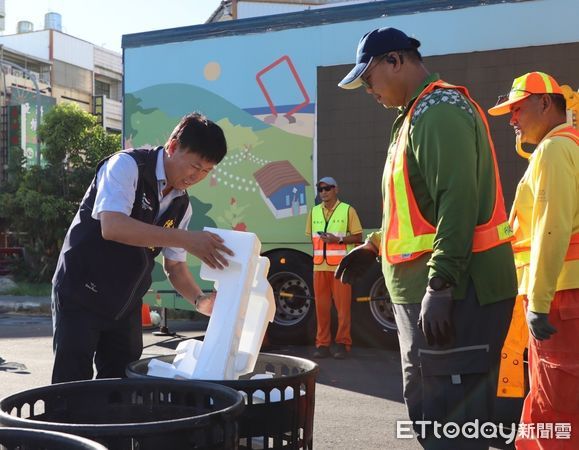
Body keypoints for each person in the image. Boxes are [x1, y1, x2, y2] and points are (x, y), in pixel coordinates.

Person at [335, 28, 518, 449]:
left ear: (395, 60)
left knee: (453, 426)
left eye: (368, 78)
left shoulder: (438, 110)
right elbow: (416, 207)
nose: (368, 90)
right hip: (420, 292)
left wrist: (441, 284)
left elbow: (458, 200)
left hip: (457, 293)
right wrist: (376, 243)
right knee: (432, 417)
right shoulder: (413, 116)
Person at [51, 112, 234, 383]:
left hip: (125, 304)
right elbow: (113, 226)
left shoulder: (182, 204)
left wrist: (200, 301)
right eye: (195, 166)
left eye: (206, 171)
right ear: (173, 147)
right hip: (81, 293)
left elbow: (174, 267)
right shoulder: (126, 166)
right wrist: (186, 239)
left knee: (121, 390)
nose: (197, 177)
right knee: (71, 387)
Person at [489, 72, 579, 449]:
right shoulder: (568, 145)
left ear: (546, 103)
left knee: (554, 409)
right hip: (563, 294)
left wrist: (538, 304)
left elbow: (549, 228)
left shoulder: (554, 149)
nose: (512, 119)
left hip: (558, 299)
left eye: (518, 108)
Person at [305, 176, 362, 359]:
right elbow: (311, 238)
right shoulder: (314, 212)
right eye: (320, 189)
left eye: (327, 188)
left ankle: (342, 344)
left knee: (343, 309)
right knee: (321, 309)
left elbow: (358, 237)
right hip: (319, 267)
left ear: (336, 189)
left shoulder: (347, 210)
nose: (323, 192)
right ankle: (322, 344)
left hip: (340, 268)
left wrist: (337, 239)